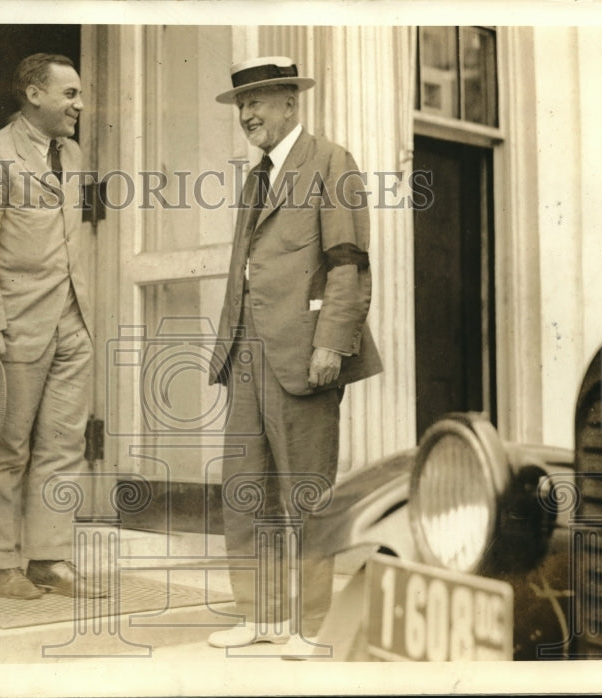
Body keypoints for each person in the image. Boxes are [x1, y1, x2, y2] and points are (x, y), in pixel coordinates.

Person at [206, 56, 383, 648]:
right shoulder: (256, 175)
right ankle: (259, 616)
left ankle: (309, 626)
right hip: (248, 352)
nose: (249, 115)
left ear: (290, 103)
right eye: (242, 105)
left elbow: (348, 265)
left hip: (305, 352)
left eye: (259, 102)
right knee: (245, 487)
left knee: (306, 491)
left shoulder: (332, 162)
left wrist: (331, 344)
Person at [0, 53, 100, 600]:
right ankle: (1, 565)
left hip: (72, 322)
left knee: (64, 444)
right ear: (34, 95)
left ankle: (50, 560)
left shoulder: (75, 154)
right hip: (13, 327)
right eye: (70, 93)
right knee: (6, 448)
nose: (79, 104)